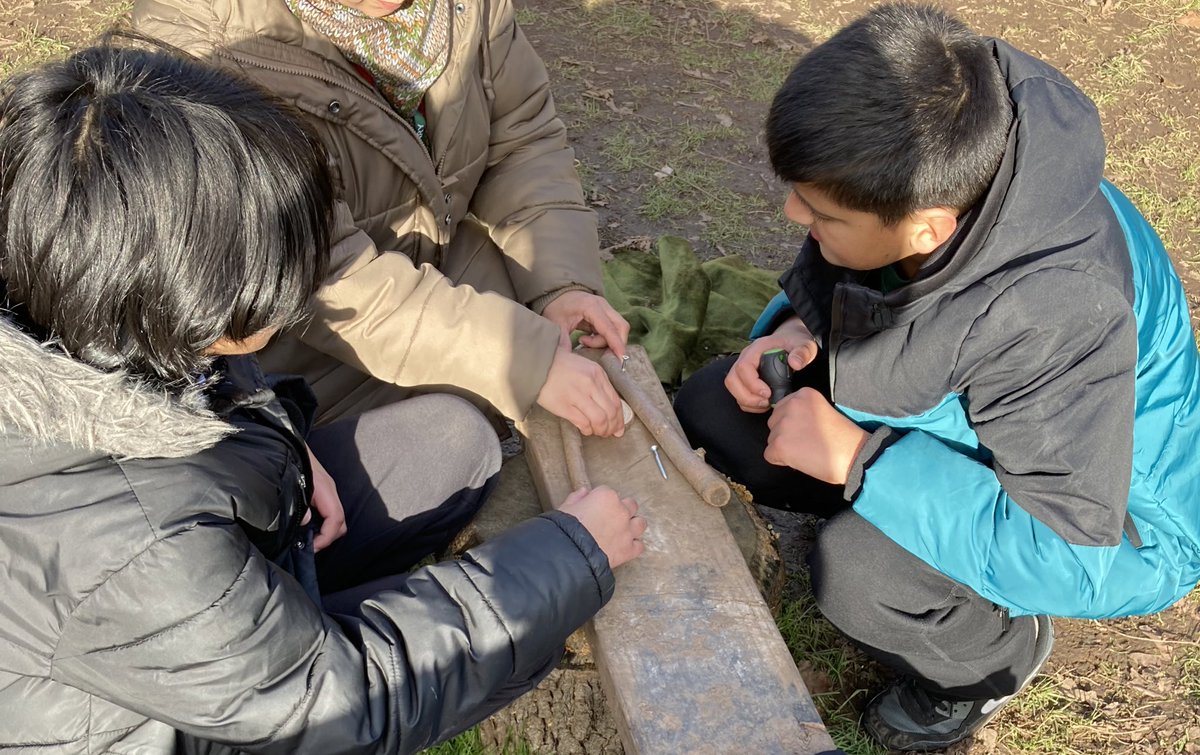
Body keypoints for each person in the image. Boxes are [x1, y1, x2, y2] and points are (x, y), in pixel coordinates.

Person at [0, 39, 646, 754]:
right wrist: (568, 555)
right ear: (182, 297)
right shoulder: (134, 545)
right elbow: (338, 701)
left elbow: (201, 375)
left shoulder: (77, 298)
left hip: (182, 617)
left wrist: (285, 444)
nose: (302, 294)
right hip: (164, 721)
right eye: (278, 285)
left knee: (450, 442)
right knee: (515, 637)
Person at [673, 3, 1200, 751]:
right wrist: (802, 330)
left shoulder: (1059, 316)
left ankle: (992, 657)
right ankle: (902, 517)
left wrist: (862, 461)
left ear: (928, 226)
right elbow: (867, 278)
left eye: (819, 210)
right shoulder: (950, 152)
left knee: (860, 573)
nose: (792, 211)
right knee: (716, 409)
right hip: (979, 421)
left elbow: (1071, 545)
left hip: (1110, 528)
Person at [131, 0, 630, 438]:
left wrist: (561, 286)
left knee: (552, 358)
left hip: (424, 271)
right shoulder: (200, 36)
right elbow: (319, 269)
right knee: (457, 443)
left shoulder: (468, 8)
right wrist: (521, 358)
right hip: (286, 351)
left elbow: (521, 139)